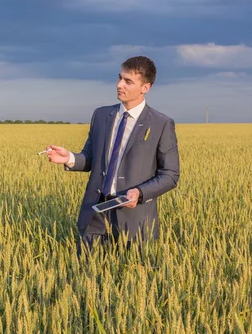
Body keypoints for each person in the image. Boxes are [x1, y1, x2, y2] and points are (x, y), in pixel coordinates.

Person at [47, 56, 180, 251]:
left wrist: (141, 193)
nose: (119, 85)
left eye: (128, 81)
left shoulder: (161, 124)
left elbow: (170, 175)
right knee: (87, 275)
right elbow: (91, 158)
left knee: (131, 278)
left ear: (145, 87)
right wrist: (69, 158)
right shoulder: (101, 116)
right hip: (96, 215)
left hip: (135, 221)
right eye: (119, 78)